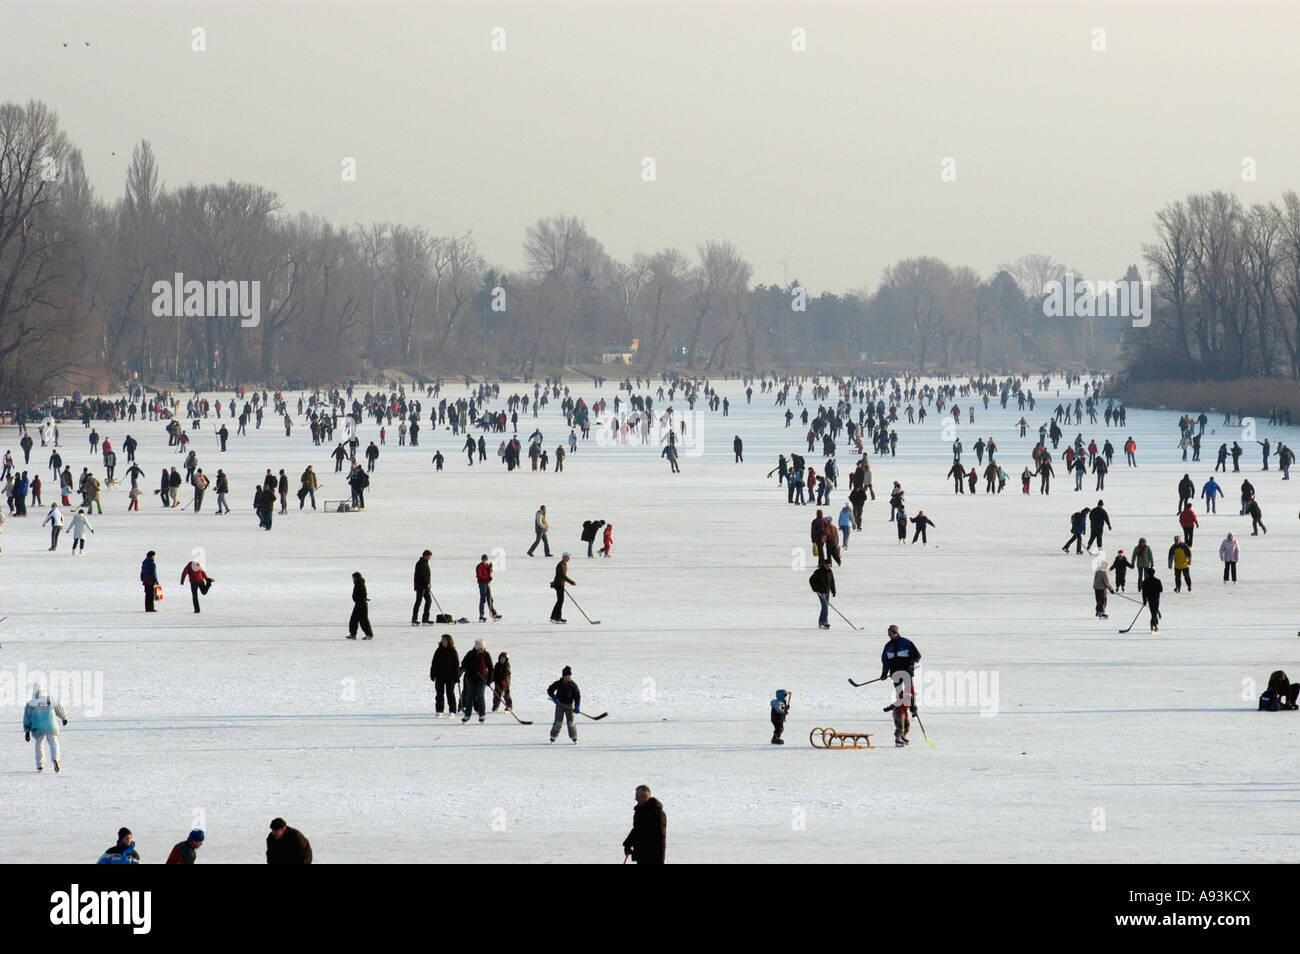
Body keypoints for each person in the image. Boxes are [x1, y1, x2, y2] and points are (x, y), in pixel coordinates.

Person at [24, 682, 68, 772]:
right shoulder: (49, 700)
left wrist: (27, 731)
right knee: (53, 742)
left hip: (38, 727)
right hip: (50, 725)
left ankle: (39, 764)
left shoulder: (31, 704)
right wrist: (64, 718)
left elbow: (27, 718)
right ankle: (56, 759)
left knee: (39, 744)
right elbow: (59, 708)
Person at [622, 785, 667, 864]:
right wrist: (628, 844)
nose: (635, 799)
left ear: (645, 796)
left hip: (653, 858)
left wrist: (660, 860)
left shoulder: (657, 814)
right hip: (642, 856)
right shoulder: (640, 811)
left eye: (637, 796)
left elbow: (660, 838)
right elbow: (637, 829)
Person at [460, 638, 492, 723]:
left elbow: (491, 668)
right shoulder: (470, 654)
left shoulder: (486, 655)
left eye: (483, 648)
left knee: (480, 695)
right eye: (480, 648)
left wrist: (489, 680)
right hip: (470, 678)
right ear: (476, 648)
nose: (482, 649)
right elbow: (463, 664)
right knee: (469, 696)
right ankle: (467, 715)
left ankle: (482, 714)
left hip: (481, 679)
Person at [547, 665, 580, 743]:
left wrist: (577, 705)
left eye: (570, 676)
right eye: (567, 676)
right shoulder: (558, 683)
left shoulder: (573, 685)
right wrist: (554, 697)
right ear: (564, 676)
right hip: (560, 705)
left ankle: (573, 736)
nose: (569, 677)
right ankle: (553, 736)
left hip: (569, 706)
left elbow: (577, 695)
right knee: (558, 722)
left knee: (571, 722)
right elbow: (550, 690)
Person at [429, 633, 460, 717]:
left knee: (450, 694)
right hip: (439, 676)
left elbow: (456, 664)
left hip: (450, 677)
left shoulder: (453, 651)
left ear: (449, 641)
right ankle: (439, 710)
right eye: (442, 640)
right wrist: (432, 673)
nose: (443, 642)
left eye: (445, 640)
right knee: (439, 693)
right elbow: (434, 663)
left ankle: (452, 710)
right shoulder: (438, 650)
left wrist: (456, 676)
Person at [884, 671, 915, 747]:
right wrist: (889, 708)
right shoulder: (904, 695)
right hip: (898, 713)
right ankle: (898, 739)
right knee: (900, 727)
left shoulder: (911, 696)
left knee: (907, 725)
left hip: (904, 714)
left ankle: (902, 736)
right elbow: (896, 703)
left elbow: (912, 704)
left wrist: (914, 710)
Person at [809, 561, 835, 630]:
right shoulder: (818, 572)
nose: (828, 566)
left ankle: (821, 622)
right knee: (825, 607)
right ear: (824, 565)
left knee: (825, 607)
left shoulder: (830, 571)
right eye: (827, 565)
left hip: (827, 592)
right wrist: (815, 589)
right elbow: (811, 580)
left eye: (829, 565)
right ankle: (824, 622)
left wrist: (833, 591)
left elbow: (832, 582)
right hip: (821, 592)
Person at [550, 553, 575, 623]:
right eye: (568, 557)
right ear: (564, 557)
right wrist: (571, 582)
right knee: (560, 601)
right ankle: (557, 617)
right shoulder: (560, 565)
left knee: (560, 601)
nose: (569, 558)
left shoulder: (564, 564)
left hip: (561, 584)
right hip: (558, 585)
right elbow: (562, 576)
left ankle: (554, 617)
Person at [348, 571, 374, 639]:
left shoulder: (360, 584)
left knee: (363, 620)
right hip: (358, 604)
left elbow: (363, 595)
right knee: (353, 620)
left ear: (356, 577)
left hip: (361, 605)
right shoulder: (357, 584)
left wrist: (360, 600)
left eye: (353, 577)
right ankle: (353, 634)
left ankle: (369, 635)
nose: (352, 579)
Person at [476, 554, 502, 621]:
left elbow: (489, 573)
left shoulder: (487, 565)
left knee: (489, 598)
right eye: (483, 559)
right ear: (481, 559)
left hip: (486, 584)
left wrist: (490, 569)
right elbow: (479, 576)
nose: (484, 561)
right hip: (482, 584)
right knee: (483, 599)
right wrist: (487, 578)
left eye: (485, 559)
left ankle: (494, 613)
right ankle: (481, 615)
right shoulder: (479, 566)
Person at [412, 550, 433, 625]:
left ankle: (425, 619)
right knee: (418, 601)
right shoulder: (420, 563)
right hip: (420, 586)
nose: (430, 558)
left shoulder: (425, 563)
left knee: (429, 601)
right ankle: (414, 618)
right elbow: (422, 575)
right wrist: (427, 582)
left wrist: (428, 583)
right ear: (425, 556)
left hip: (425, 586)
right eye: (429, 556)